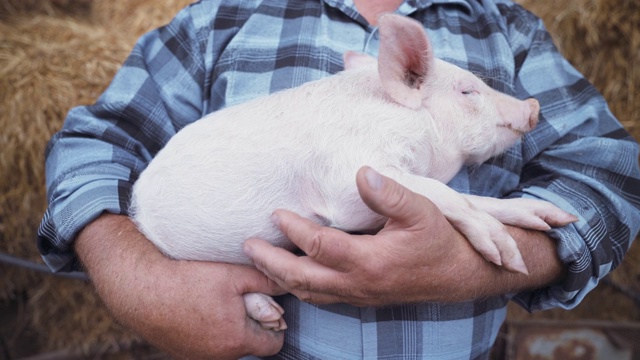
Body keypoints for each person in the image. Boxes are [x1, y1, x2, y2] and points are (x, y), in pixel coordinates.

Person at [37, 0, 640, 358]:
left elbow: (611, 170)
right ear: (406, 73)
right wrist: (139, 279)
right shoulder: (218, 18)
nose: (511, 109)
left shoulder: (505, 26)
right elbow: (92, 143)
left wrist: (471, 267)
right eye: (468, 93)